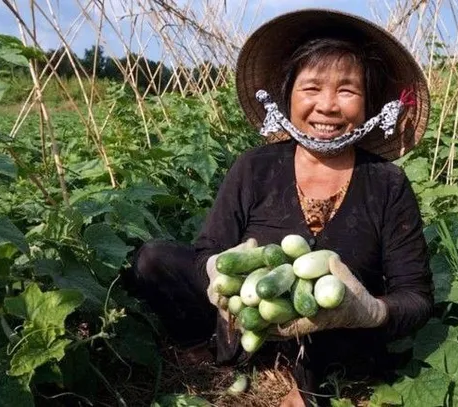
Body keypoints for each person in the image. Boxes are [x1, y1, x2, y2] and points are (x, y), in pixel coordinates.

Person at [125, 9, 433, 407]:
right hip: (248, 315)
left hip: (337, 334)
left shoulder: (387, 183)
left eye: (347, 90)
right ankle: (213, 343)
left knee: (331, 314)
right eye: (311, 88)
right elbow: (208, 249)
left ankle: (311, 377)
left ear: (369, 102)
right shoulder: (254, 166)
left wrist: (369, 310)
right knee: (154, 259)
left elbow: (417, 298)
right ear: (288, 96)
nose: (327, 106)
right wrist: (218, 268)